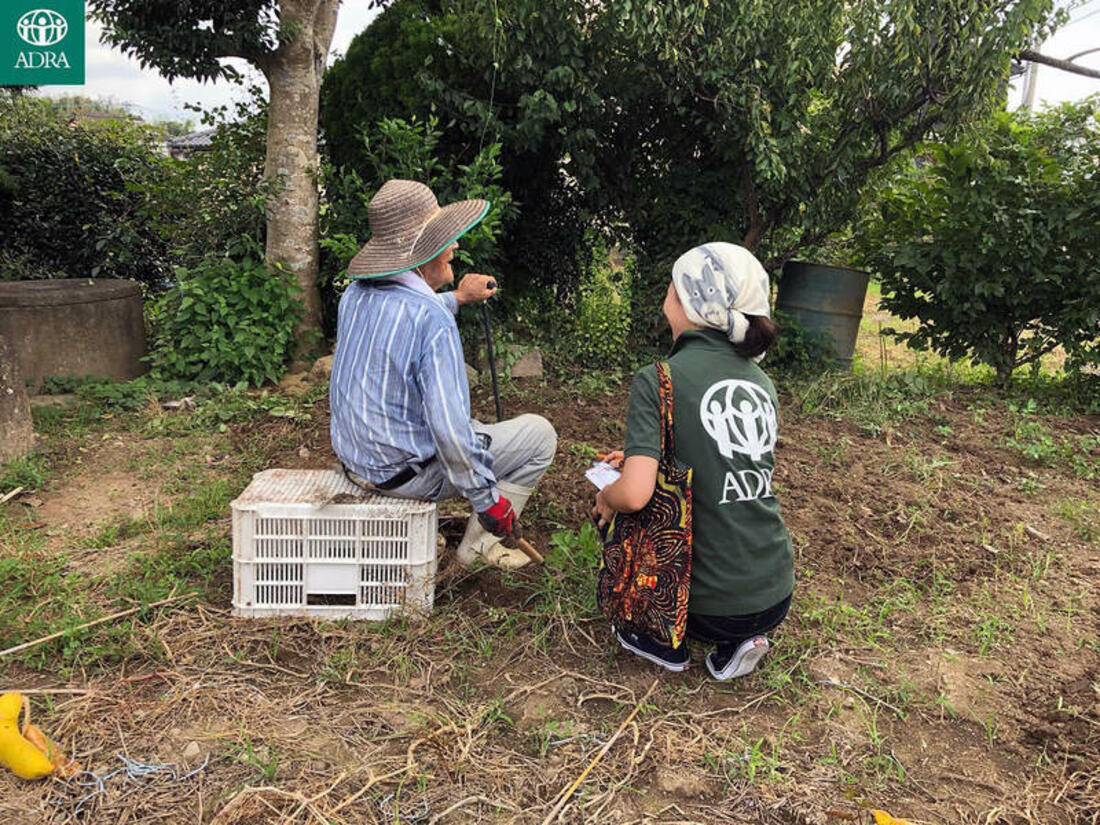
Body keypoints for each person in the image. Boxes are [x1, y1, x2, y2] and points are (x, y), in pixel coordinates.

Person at [330, 179, 557, 569]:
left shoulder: (355, 295)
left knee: (473, 428)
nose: (454, 246)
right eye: (446, 239)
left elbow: (403, 314)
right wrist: (488, 502)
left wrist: (458, 298)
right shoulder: (430, 319)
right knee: (539, 435)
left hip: (359, 465)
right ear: (424, 251)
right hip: (406, 478)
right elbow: (451, 433)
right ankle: (480, 549)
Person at [592, 242, 794, 680]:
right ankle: (739, 646)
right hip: (775, 593)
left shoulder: (657, 379)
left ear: (685, 302)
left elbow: (635, 493)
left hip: (700, 606)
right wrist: (641, 455)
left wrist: (608, 492)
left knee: (628, 511)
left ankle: (659, 640)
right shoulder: (762, 382)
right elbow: (721, 455)